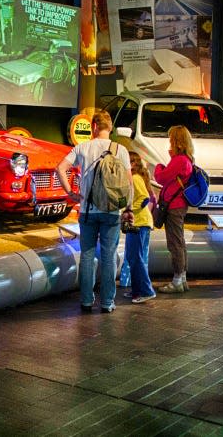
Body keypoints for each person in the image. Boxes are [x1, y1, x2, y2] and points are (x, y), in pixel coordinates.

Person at [56, 110, 131, 313]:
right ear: (110, 128)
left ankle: (87, 300)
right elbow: (128, 183)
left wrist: (70, 192)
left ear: (94, 127)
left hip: (88, 211)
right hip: (112, 211)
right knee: (109, 256)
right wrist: (128, 208)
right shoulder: (121, 150)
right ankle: (107, 302)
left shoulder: (83, 147)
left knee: (87, 256)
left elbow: (60, 168)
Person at [153, 125, 194, 294]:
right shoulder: (187, 159)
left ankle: (177, 280)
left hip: (174, 206)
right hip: (180, 205)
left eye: (171, 139)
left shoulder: (179, 161)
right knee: (180, 242)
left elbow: (161, 178)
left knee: (175, 243)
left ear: (176, 141)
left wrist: (158, 166)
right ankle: (182, 279)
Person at [121, 151, 156, 303]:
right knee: (132, 256)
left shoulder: (135, 178)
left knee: (136, 257)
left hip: (140, 223)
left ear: (133, 163)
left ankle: (146, 290)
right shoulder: (135, 178)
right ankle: (137, 290)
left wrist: (128, 211)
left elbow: (144, 198)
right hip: (138, 222)